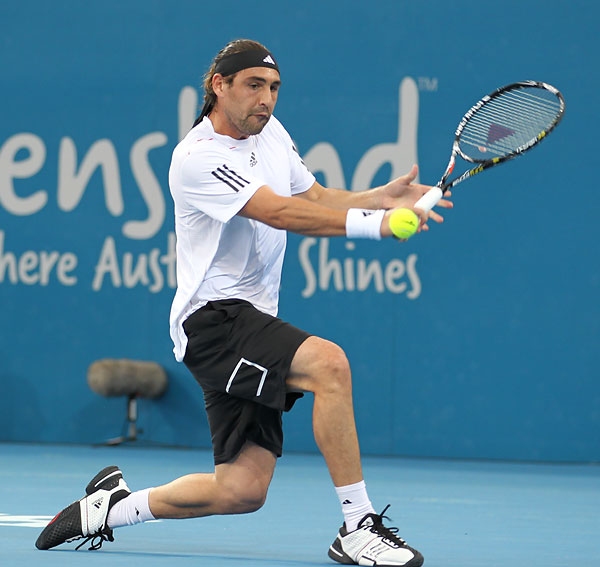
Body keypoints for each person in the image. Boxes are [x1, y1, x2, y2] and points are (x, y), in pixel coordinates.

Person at [36, 39, 452, 566]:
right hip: (213, 321)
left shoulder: (269, 131)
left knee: (241, 490)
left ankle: (111, 508)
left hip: (250, 319)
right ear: (219, 85)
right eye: (255, 85)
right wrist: (376, 226)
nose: (266, 98)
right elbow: (277, 212)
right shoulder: (197, 157)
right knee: (329, 365)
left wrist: (378, 198)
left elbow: (312, 197)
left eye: (274, 88)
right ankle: (358, 526)